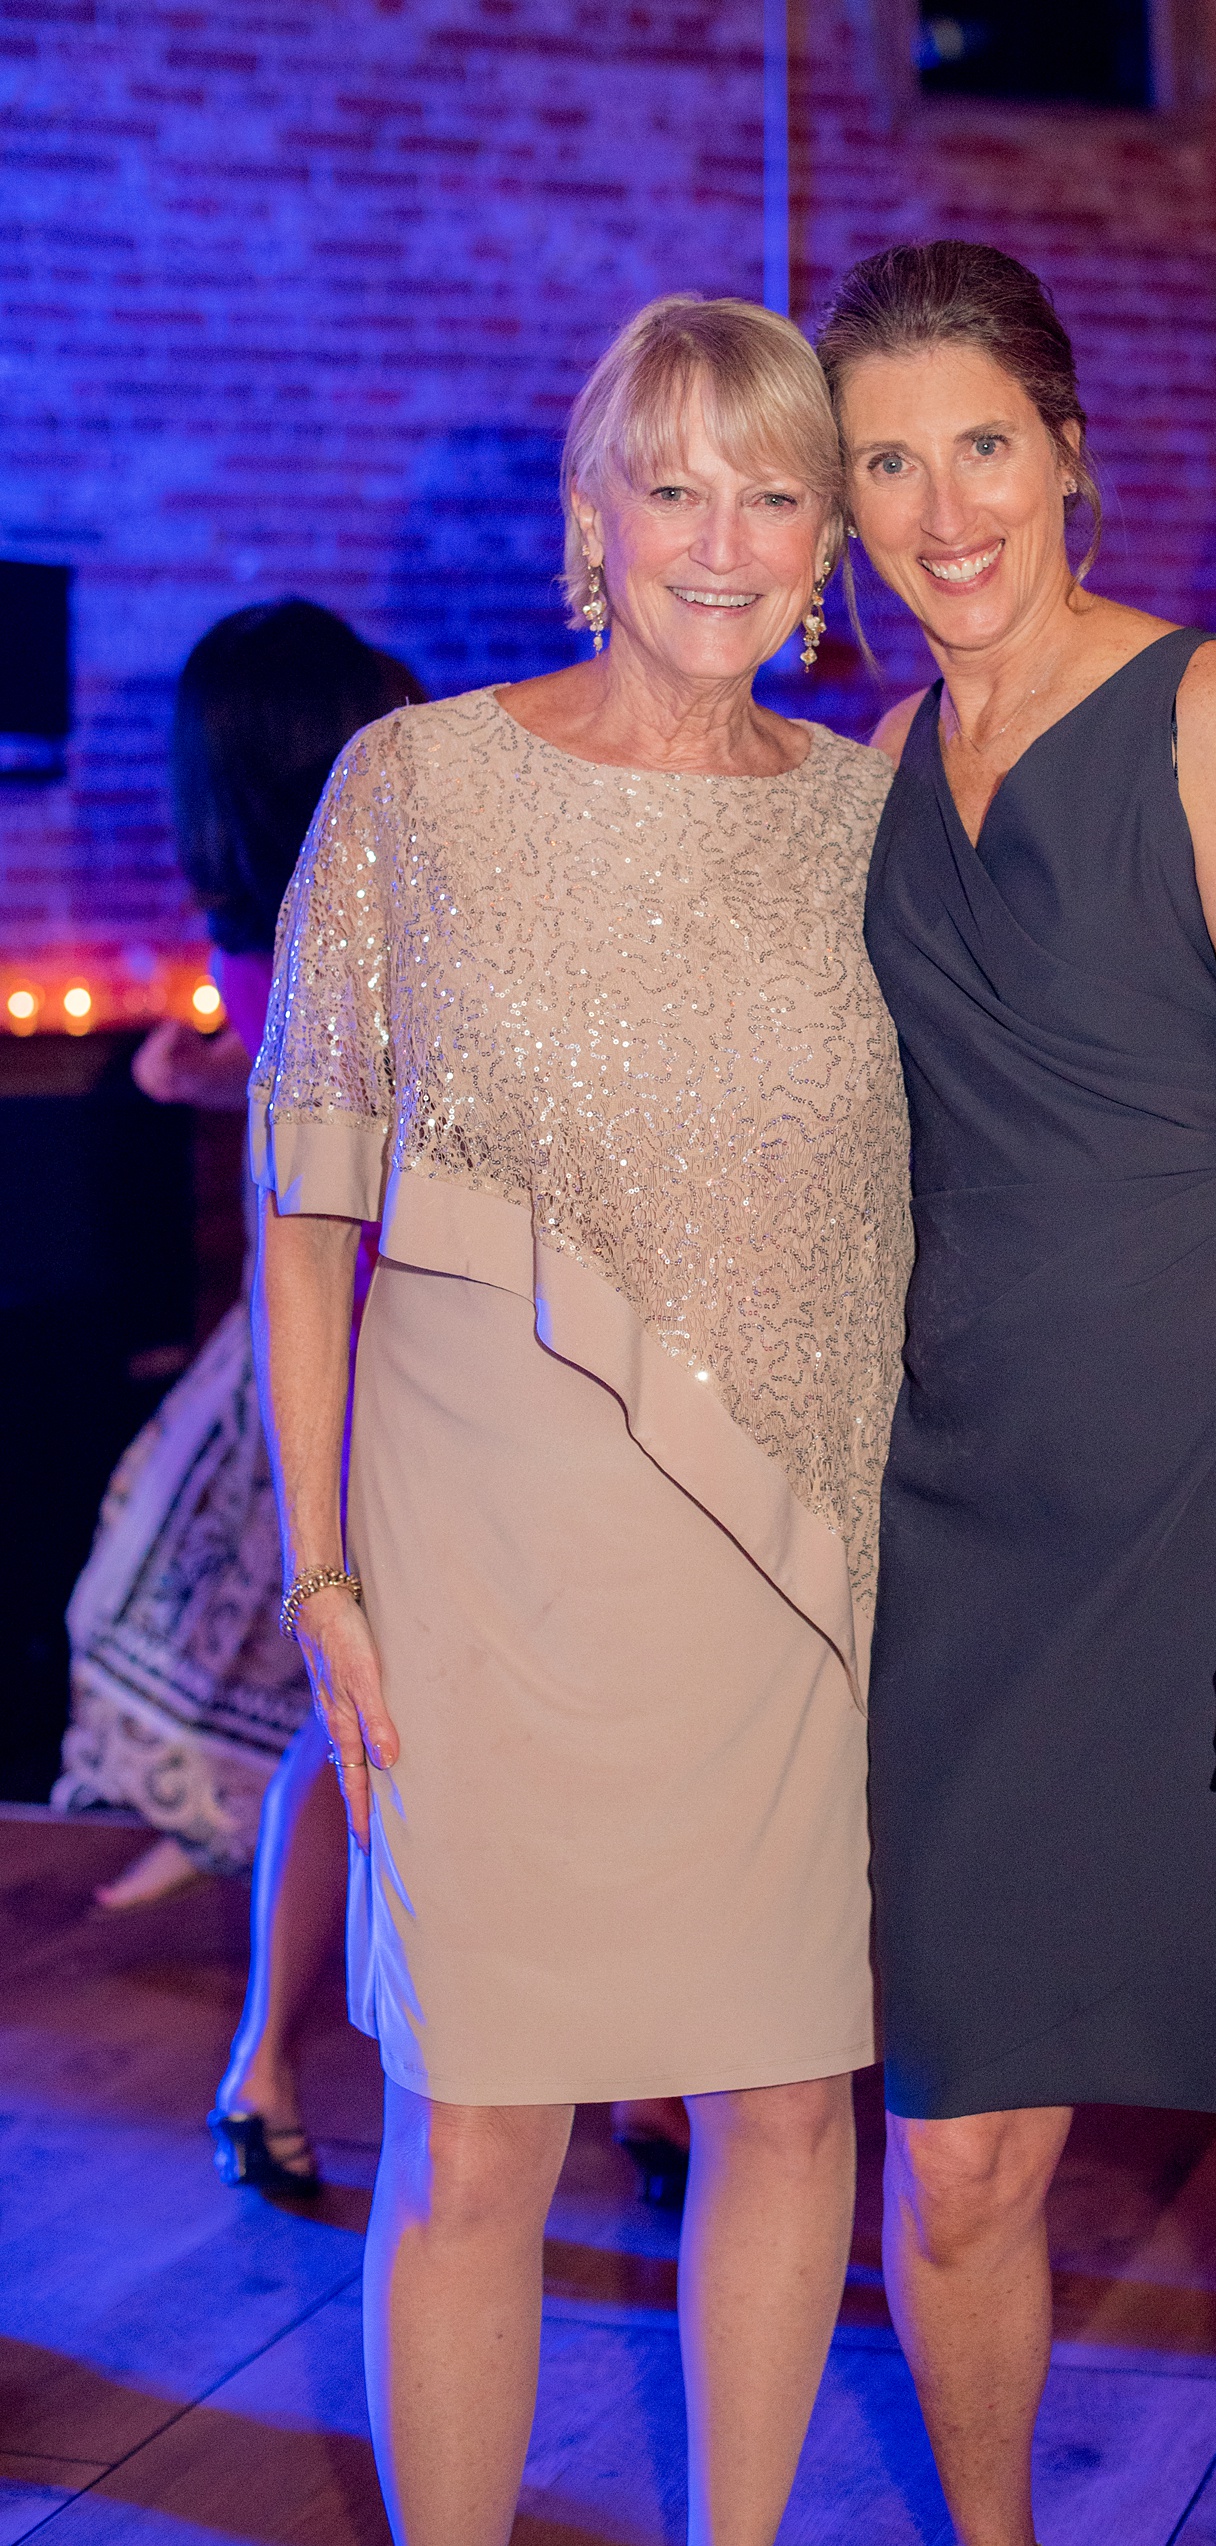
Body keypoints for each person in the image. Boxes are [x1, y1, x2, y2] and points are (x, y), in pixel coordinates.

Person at [248, 294, 911, 2546]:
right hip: (482, 1570)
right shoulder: (416, 786)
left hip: (785, 1571)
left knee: (787, 2106)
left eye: (773, 490)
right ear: (589, 514)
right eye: (674, 483)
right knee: (476, 2133)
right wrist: (323, 1574)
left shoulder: (877, 816)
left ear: (827, 534)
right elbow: (309, 1199)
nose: (721, 540)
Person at [818, 240, 1216, 2546]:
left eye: (974, 442)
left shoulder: (1207, 709)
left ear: (1062, 451)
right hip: (971, 1528)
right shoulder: (871, 764)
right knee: (962, 2141)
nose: (937, 506)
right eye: (881, 460)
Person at [54, 601, 418, 1928]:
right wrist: (212, 1075)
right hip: (338, 1308)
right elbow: (324, 1106)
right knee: (240, 1621)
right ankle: (229, 1861)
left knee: (274, 1632)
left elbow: (349, 1115)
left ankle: (251, 1904)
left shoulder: (325, 917)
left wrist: (213, 1078)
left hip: (362, 1314)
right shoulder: (298, 922)